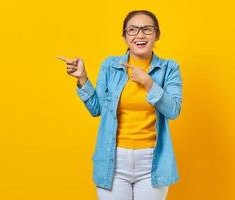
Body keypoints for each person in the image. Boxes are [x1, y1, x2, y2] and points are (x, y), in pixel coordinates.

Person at [56, 9, 183, 200]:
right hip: (113, 160)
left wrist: (148, 83)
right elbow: (96, 109)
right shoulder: (110, 66)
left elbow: (173, 111)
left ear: (157, 35)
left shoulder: (169, 68)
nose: (140, 35)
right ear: (124, 37)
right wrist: (82, 78)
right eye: (132, 30)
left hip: (152, 162)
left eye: (147, 29)